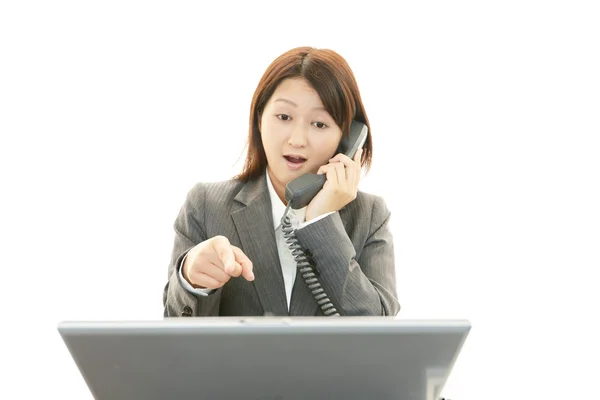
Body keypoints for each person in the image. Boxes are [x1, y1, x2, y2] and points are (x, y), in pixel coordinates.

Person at [162, 46, 400, 317]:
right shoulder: (205, 205)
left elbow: (379, 332)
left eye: (320, 124)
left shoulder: (369, 216)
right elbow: (176, 336)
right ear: (260, 119)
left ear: (347, 139)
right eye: (284, 117)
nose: (297, 139)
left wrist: (320, 223)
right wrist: (192, 281)